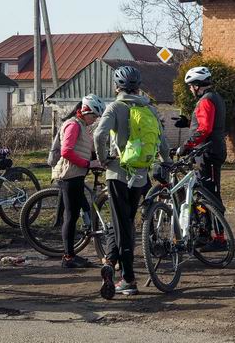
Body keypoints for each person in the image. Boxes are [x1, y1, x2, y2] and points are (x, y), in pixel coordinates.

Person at [93, 65, 171, 298]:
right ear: (138, 87)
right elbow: (162, 141)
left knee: (122, 226)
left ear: (116, 87)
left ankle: (127, 279)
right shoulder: (149, 108)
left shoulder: (115, 107)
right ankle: (112, 261)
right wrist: (166, 162)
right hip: (140, 174)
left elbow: (99, 134)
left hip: (118, 173)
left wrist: (103, 159)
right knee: (126, 222)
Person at [51, 94, 106, 269]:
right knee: (71, 216)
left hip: (76, 175)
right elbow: (66, 152)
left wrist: (98, 161)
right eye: (94, 116)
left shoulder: (82, 126)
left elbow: (84, 149)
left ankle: (71, 254)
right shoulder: (73, 125)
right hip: (69, 175)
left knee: (75, 213)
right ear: (85, 111)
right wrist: (88, 164)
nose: (95, 119)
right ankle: (68, 257)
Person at [179, 66, 228, 252]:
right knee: (204, 193)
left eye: (191, 86)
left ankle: (219, 239)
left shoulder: (206, 100)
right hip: (209, 152)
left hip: (208, 153)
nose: (190, 89)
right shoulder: (215, 97)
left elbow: (205, 129)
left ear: (197, 85)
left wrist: (187, 145)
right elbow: (208, 124)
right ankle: (205, 233)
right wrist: (188, 123)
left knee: (212, 195)